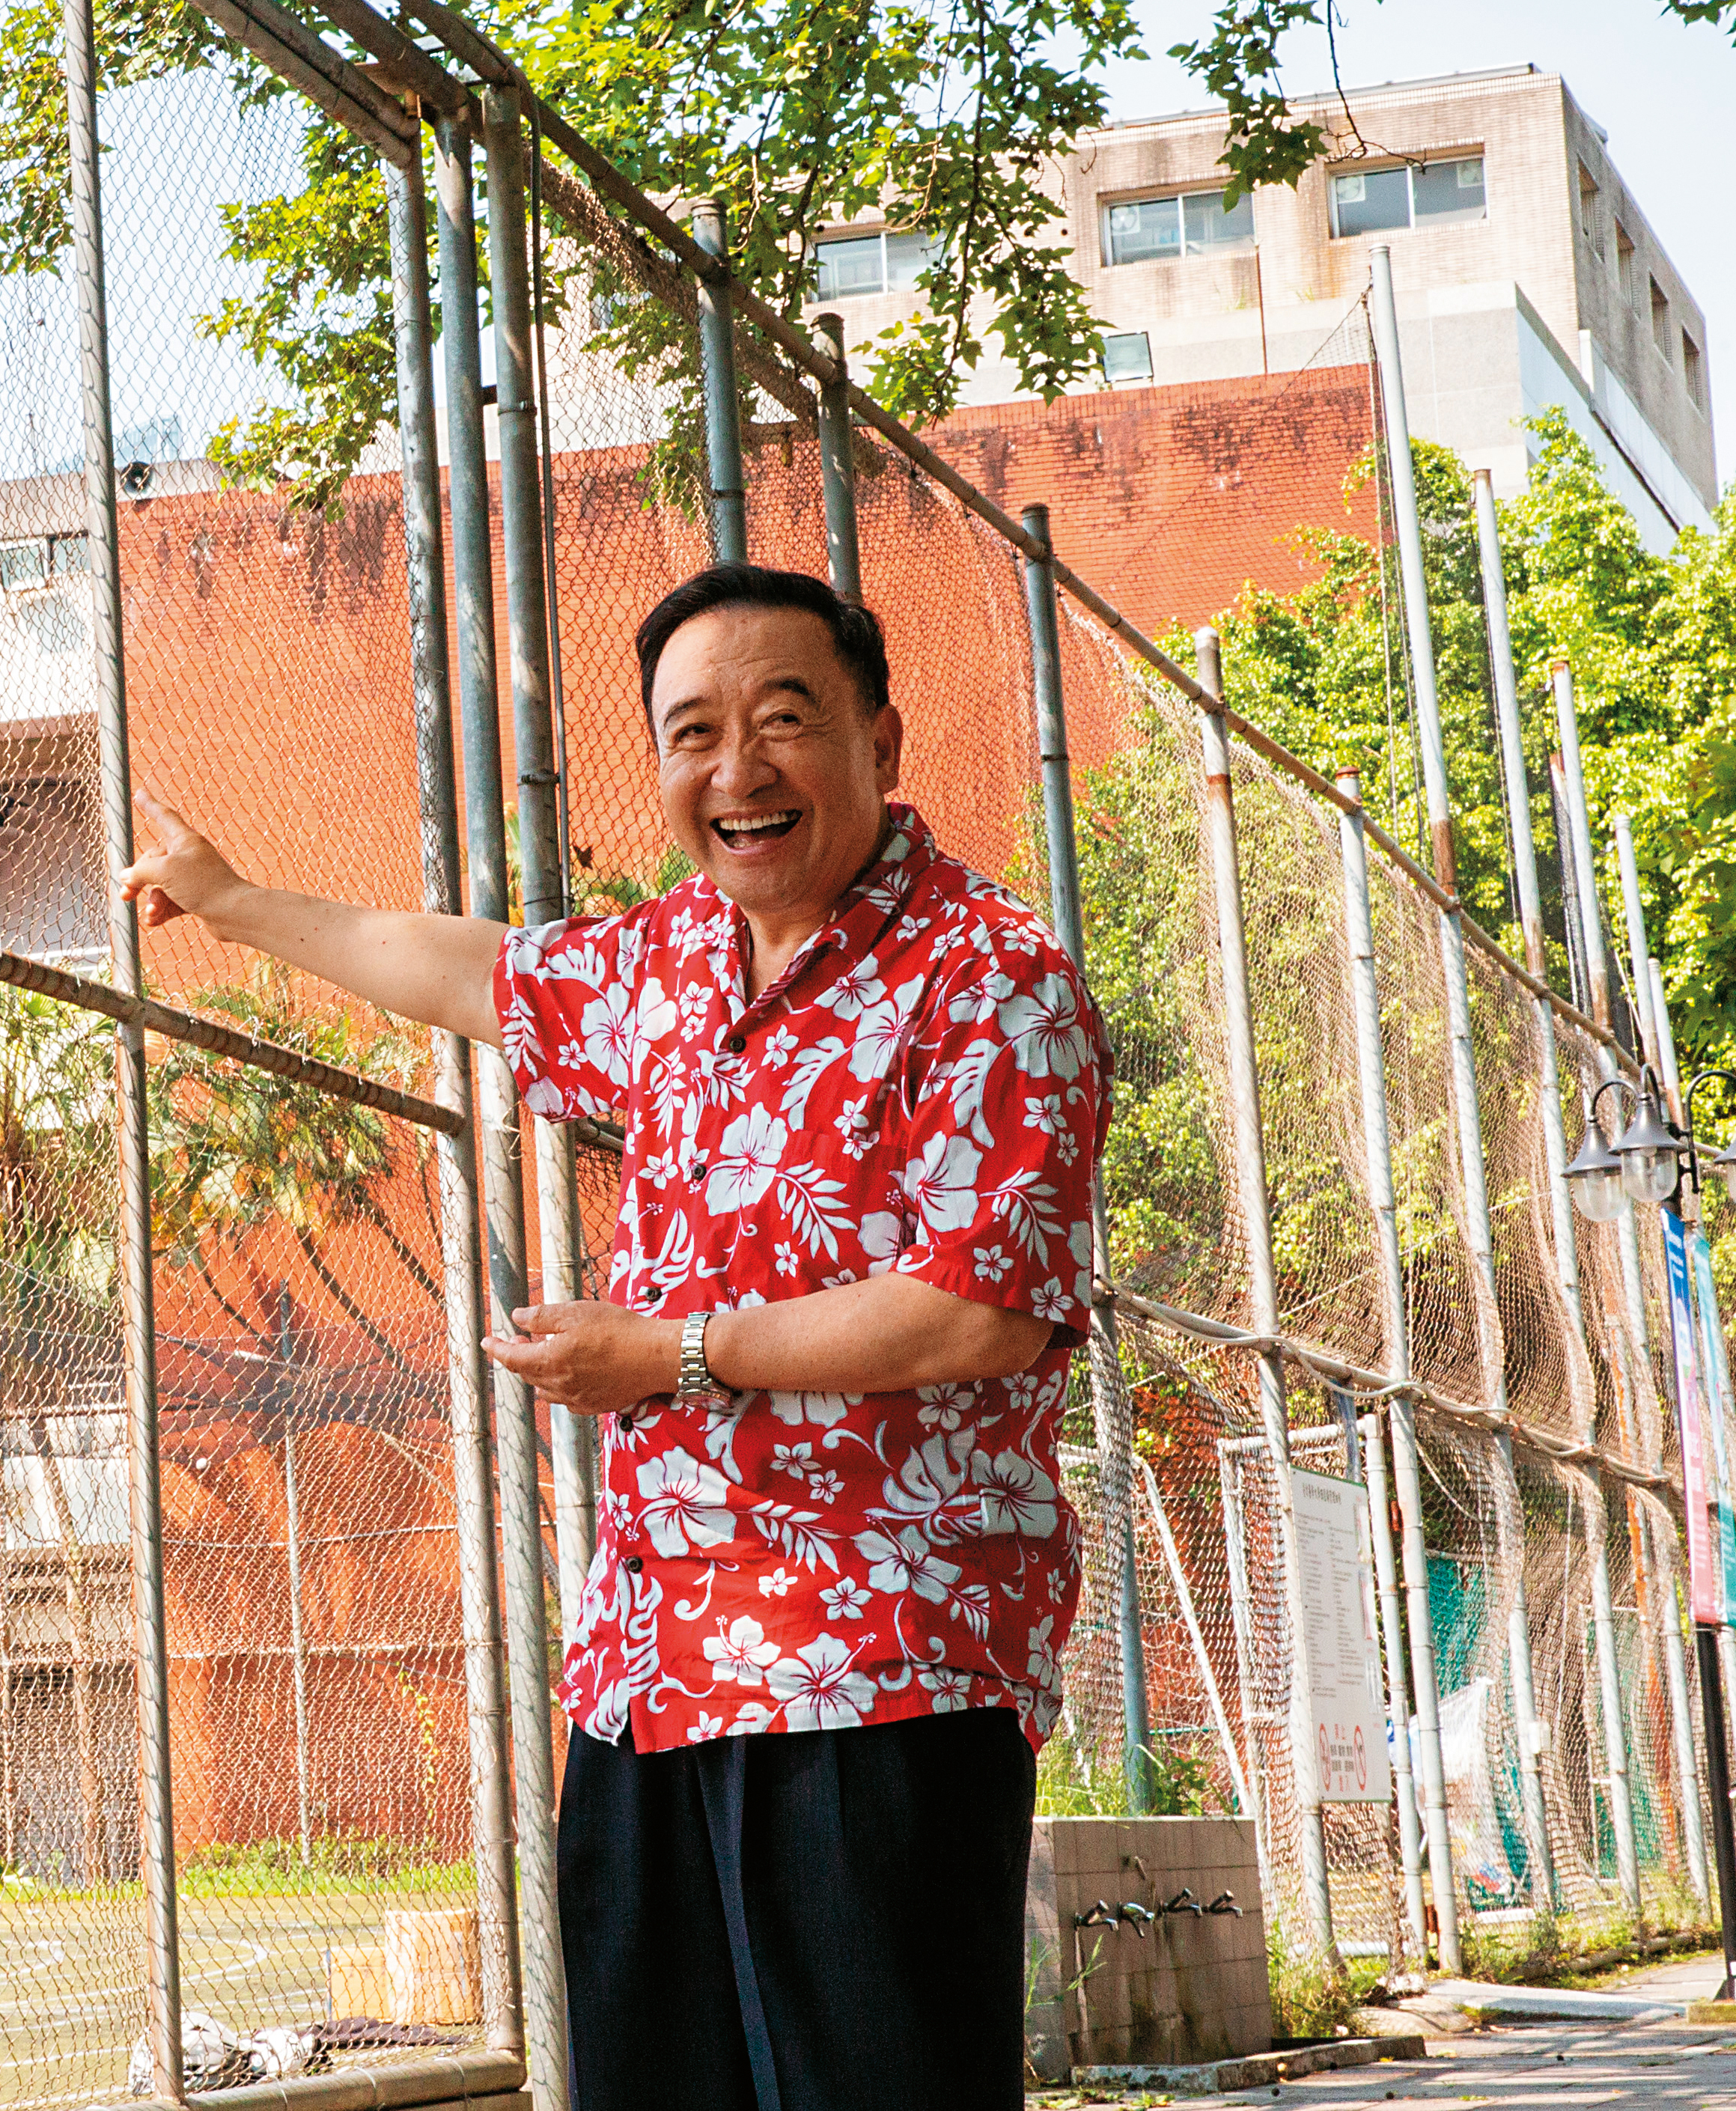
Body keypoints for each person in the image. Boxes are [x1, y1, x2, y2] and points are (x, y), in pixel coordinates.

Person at [123, 560, 1101, 2110]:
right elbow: (470, 968)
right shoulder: (667, 961)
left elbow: (978, 1309)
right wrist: (235, 902)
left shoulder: (992, 976)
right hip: (650, 1675)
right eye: (692, 732)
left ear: (880, 740)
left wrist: (673, 1356)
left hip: (879, 1671)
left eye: (784, 719)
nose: (738, 769)